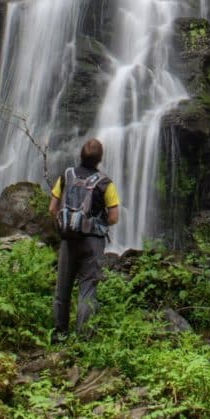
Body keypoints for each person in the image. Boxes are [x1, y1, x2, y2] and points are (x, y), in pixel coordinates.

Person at [48, 138, 120, 338]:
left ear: (80, 155)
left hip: (68, 239)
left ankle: (60, 333)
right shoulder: (105, 183)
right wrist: (96, 222)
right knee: (87, 289)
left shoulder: (66, 176)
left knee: (63, 288)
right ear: (100, 159)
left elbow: (52, 208)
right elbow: (114, 217)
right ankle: (83, 338)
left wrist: (68, 225)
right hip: (93, 242)